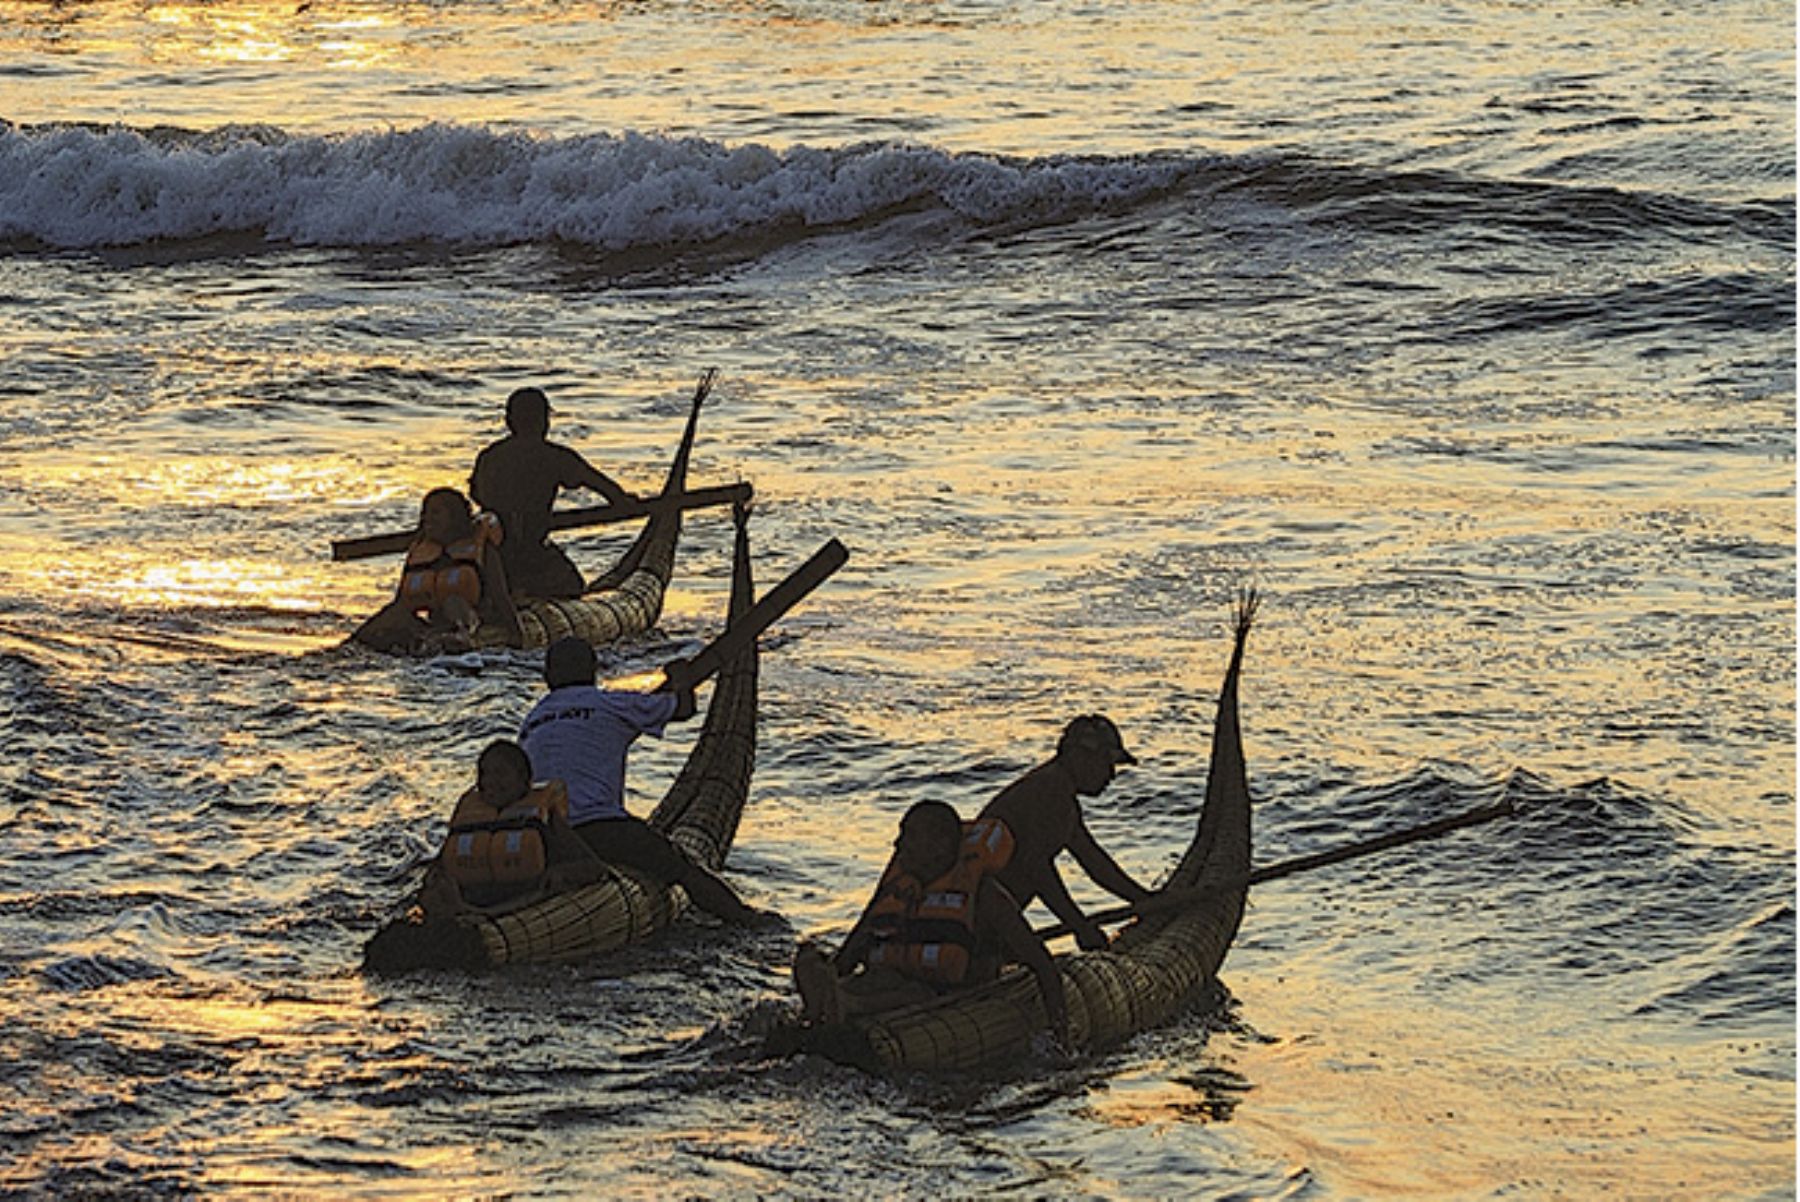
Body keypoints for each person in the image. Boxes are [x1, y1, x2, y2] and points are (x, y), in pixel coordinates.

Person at [517, 635, 762, 923]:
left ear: (547, 677)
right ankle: (745, 920)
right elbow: (683, 708)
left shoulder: (531, 721)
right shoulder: (609, 703)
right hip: (601, 828)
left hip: (544, 836)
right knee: (683, 869)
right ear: (593, 672)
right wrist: (679, 677)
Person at [792, 800, 1069, 1042]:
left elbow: (1041, 964)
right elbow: (849, 955)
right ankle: (831, 1003)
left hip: (942, 996)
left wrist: (1060, 1034)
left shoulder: (984, 896)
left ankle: (846, 1004)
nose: (898, 845)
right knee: (844, 969)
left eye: (909, 836)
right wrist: (828, 972)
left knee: (912, 992)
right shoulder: (897, 888)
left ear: (941, 845)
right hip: (887, 983)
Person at [976, 713, 1154, 952]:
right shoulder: (1052, 792)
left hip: (989, 916)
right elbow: (1037, 870)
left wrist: (1144, 901)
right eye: (1106, 763)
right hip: (982, 918)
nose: (1111, 775)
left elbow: (1094, 862)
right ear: (1079, 757)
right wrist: (1079, 927)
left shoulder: (1056, 791)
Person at [469, 386, 637, 599]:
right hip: (530, 552)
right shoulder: (553, 456)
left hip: (489, 551)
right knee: (573, 585)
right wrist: (622, 501)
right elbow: (597, 483)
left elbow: (476, 494)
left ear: (509, 422)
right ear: (543, 422)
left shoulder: (489, 456)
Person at [420, 738, 602, 914]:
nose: (490, 781)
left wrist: (560, 873)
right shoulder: (468, 818)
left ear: (524, 779)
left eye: (500, 773)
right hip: (472, 899)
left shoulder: (545, 818)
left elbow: (593, 867)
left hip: (527, 901)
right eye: (484, 773)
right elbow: (440, 866)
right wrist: (436, 879)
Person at [350, 487, 523, 653]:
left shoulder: (481, 550)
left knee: (453, 603)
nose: (428, 519)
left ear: (455, 517)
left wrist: (516, 632)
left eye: (436, 513)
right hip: (433, 624)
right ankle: (353, 645)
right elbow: (402, 600)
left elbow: (500, 594)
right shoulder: (421, 550)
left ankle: (461, 637)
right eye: (425, 513)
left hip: (475, 620)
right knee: (397, 612)